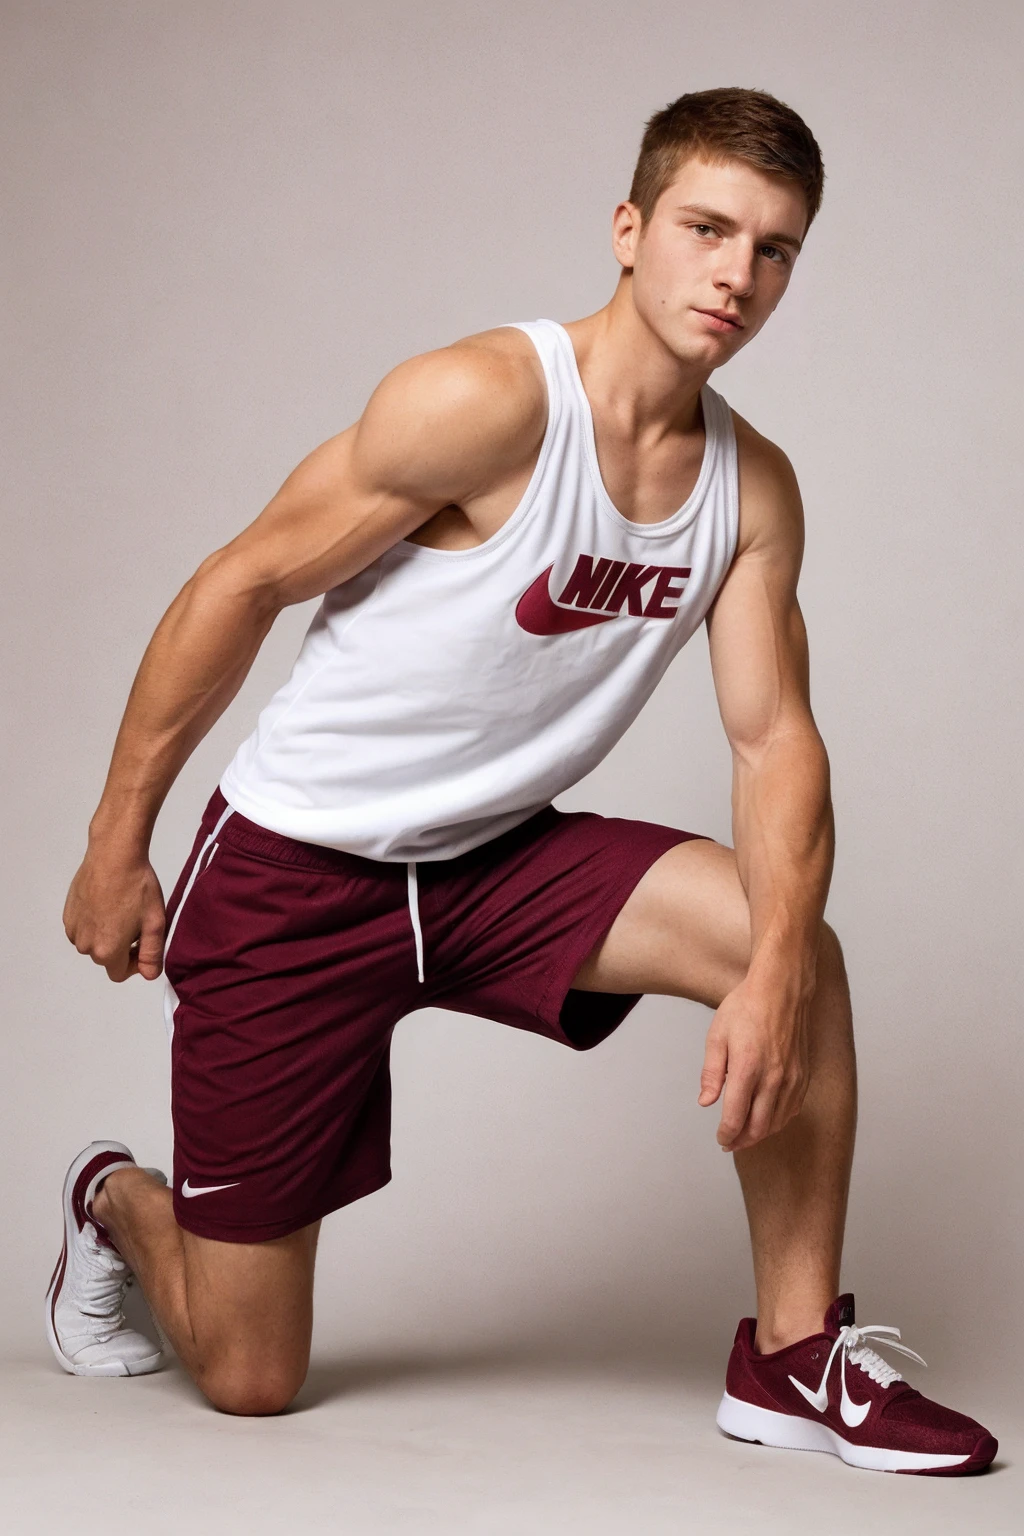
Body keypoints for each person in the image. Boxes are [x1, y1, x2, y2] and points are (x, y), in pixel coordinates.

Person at [52, 87, 996, 1474]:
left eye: (777, 248)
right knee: (252, 1379)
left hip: (499, 864)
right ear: (630, 228)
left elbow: (772, 741)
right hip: (297, 872)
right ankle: (116, 1201)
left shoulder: (753, 494)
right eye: (706, 227)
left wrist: (781, 964)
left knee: (789, 941)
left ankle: (794, 1359)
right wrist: (116, 840)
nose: (738, 274)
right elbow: (242, 580)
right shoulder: (486, 404)